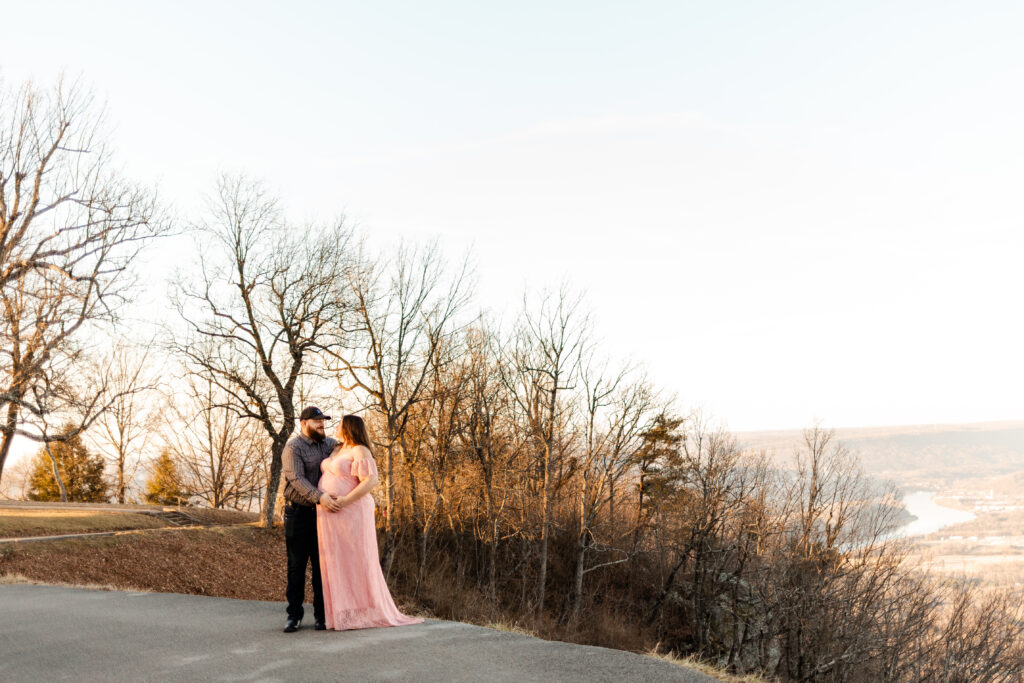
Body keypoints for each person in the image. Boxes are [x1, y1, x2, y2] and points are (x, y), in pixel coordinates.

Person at [316, 414, 424, 630]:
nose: (336, 427)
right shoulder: (336, 449)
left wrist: (345, 500)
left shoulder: (360, 450)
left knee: (357, 559)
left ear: (349, 428)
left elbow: (371, 480)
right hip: (329, 514)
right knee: (336, 561)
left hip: (352, 511)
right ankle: (341, 613)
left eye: (340, 424)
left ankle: (363, 611)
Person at [280, 406, 344, 633]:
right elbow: (296, 479)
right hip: (298, 514)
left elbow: (353, 450)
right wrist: (320, 497)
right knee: (296, 567)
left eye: (323, 421)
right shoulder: (293, 447)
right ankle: (294, 615)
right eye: (317, 421)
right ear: (303, 423)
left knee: (322, 567)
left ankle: (322, 616)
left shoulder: (330, 444)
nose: (322, 424)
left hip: (324, 516)